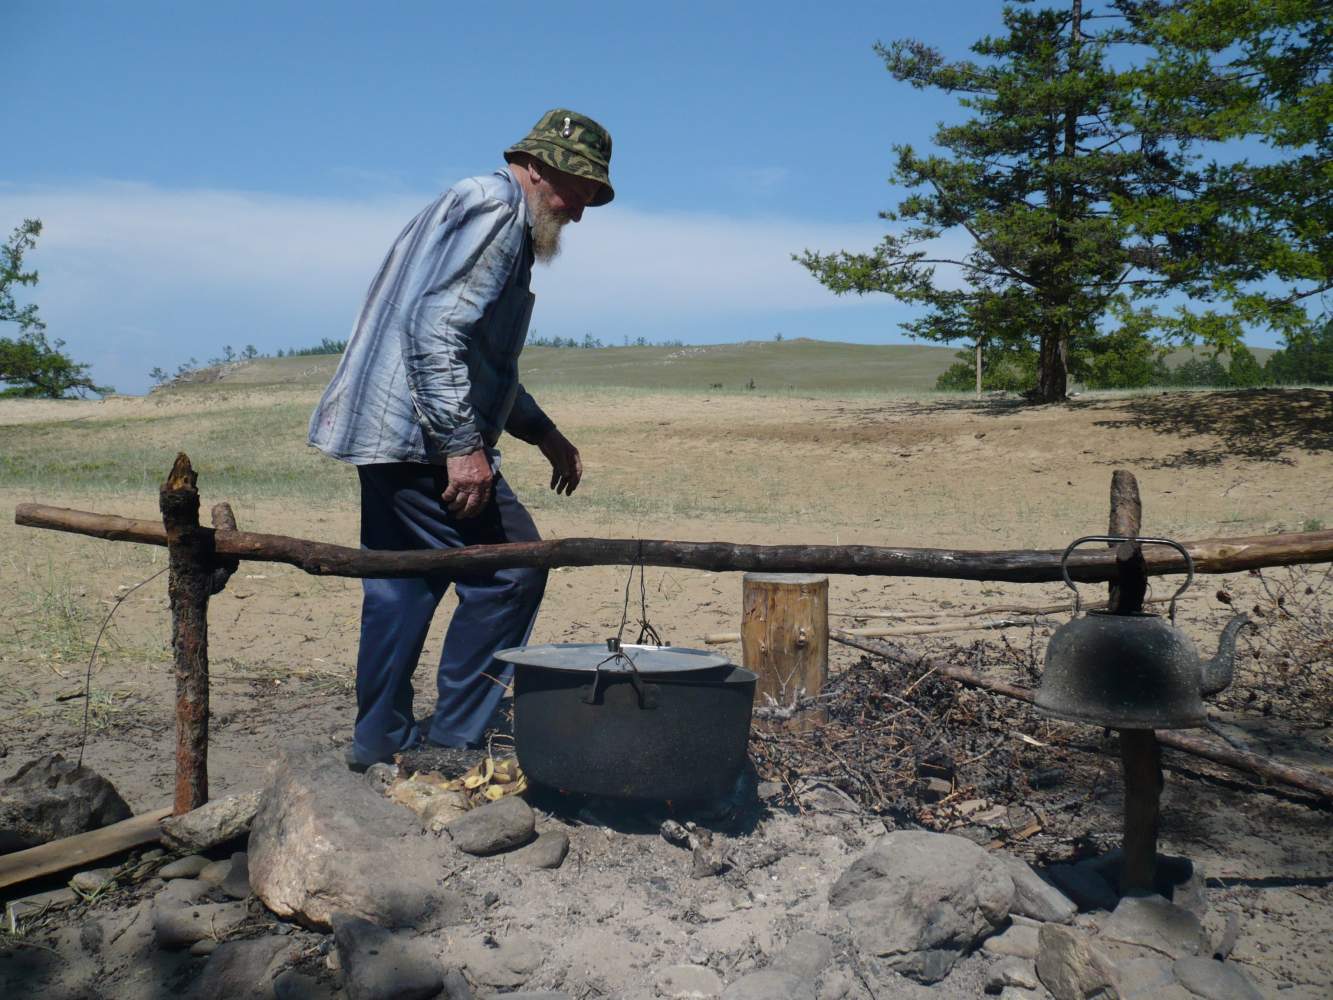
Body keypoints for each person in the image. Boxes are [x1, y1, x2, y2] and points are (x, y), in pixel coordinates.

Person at [308, 109, 614, 769]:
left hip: (383, 432)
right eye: (577, 191)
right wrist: (462, 446)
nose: (580, 213)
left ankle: (379, 740)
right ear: (537, 166)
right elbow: (436, 331)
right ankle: (455, 741)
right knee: (513, 567)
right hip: (420, 439)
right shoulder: (499, 214)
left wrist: (542, 433)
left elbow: (477, 357)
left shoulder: (471, 206)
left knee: (403, 583)